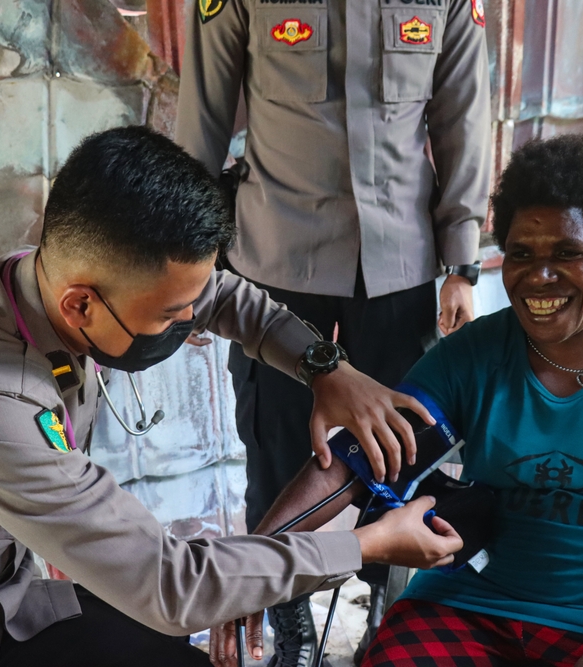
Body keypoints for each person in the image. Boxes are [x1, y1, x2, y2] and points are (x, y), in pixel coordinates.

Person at [0, 127, 466, 667]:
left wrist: (324, 366)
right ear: (81, 302)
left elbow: (218, 294)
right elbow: (173, 585)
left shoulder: (50, 278)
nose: (190, 326)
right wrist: (368, 545)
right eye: (171, 315)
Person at [237, 134, 583, 667]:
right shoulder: (476, 354)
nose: (540, 275)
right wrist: (246, 565)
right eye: (521, 253)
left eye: (568, 253)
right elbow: (358, 460)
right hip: (472, 604)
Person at [176, 0, 492, 662]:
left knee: (399, 447)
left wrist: (461, 261)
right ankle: (284, 609)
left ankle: (389, 596)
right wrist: (185, 262)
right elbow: (200, 120)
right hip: (277, 260)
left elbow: (462, 114)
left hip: (398, 264)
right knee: (276, 444)